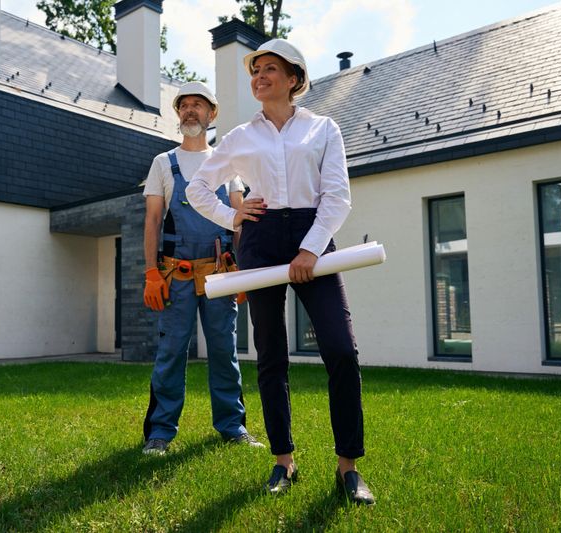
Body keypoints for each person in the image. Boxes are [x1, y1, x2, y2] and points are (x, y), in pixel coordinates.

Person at [185, 40, 375, 504]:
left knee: (341, 349)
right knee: (270, 354)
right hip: (262, 238)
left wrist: (310, 250)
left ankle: (348, 468)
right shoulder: (238, 137)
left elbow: (338, 196)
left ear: (294, 79)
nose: (259, 76)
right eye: (255, 71)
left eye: (270, 69)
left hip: (314, 233)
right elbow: (197, 187)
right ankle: (283, 460)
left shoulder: (324, 128)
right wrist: (234, 217)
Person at [141, 81, 264, 456]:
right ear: (178, 115)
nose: (190, 111)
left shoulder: (227, 165)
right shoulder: (164, 163)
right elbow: (152, 221)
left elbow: (241, 221)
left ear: (212, 115)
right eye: (184, 106)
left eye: (199, 105)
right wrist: (150, 273)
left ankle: (233, 426)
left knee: (224, 350)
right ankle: (160, 433)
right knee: (171, 352)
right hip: (174, 273)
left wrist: (244, 272)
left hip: (221, 272)